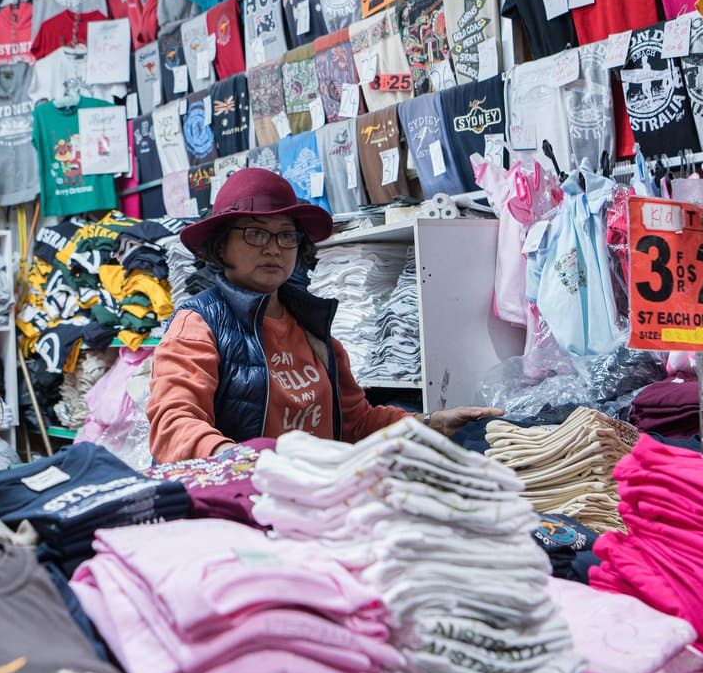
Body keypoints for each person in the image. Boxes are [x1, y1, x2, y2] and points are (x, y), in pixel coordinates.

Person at [147, 167, 502, 464]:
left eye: (286, 235)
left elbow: (355, 423)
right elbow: (173, 423)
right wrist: (243, 464)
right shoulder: (200, 324)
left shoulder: (311, 327)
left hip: (318, 502)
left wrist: (431, 423)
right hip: (246, 508)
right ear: (221, 244)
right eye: (255, 234)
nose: (273, 248)